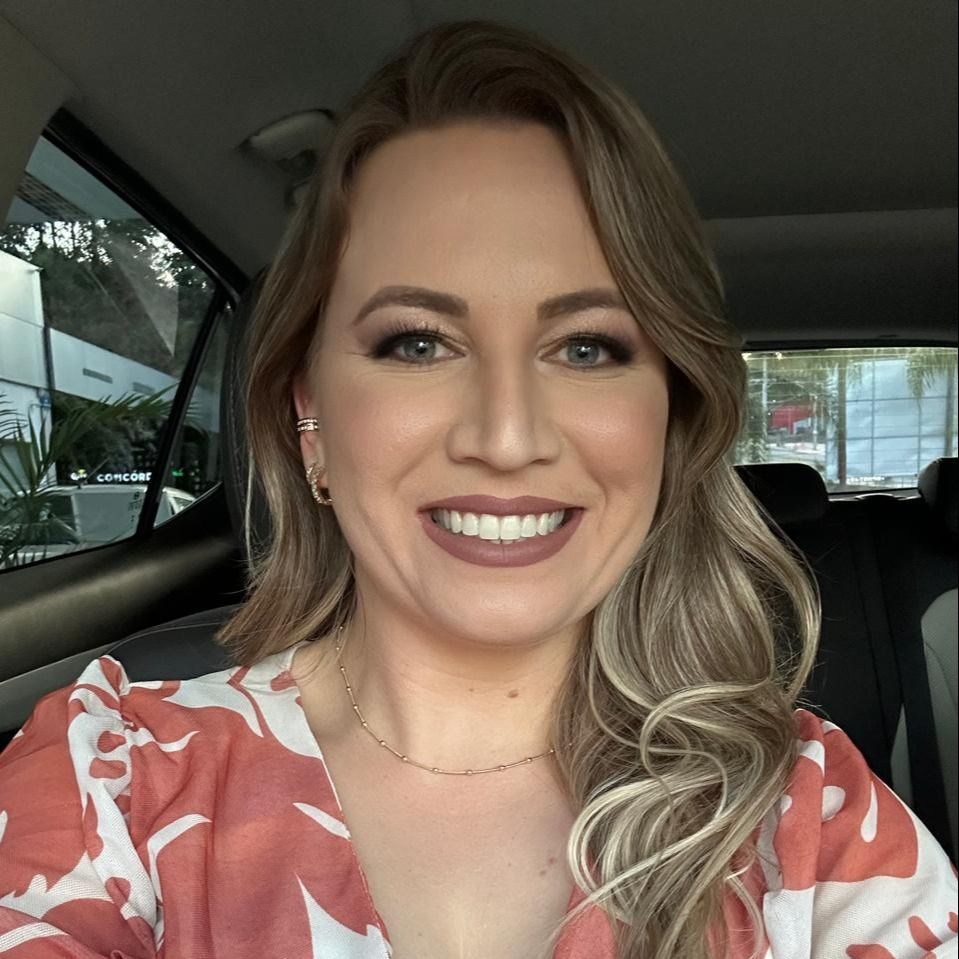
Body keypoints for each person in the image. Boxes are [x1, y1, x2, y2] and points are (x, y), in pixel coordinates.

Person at [0, 19, 955, 959]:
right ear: (310, 418)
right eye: (418, 343)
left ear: (668, 421)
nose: (506, 438)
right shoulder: (109, 787)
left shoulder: (809, 823)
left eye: (588, 348)